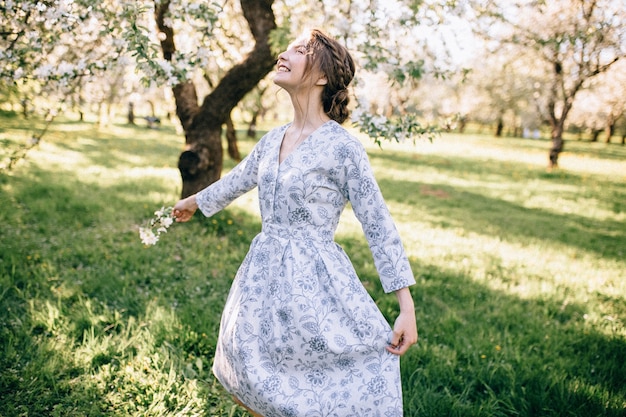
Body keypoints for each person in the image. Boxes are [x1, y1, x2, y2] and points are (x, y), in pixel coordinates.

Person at [173, 28, 418, 417]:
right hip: (262, 273)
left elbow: (378, 223)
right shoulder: (273, 140)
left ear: (322, 76)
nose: (284, 53)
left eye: (301, 50)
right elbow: (238, 180)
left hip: (313, 281)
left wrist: (406, 306)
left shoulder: (343, 148)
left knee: (302, 385)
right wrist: (195, 201)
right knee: (245, 372)